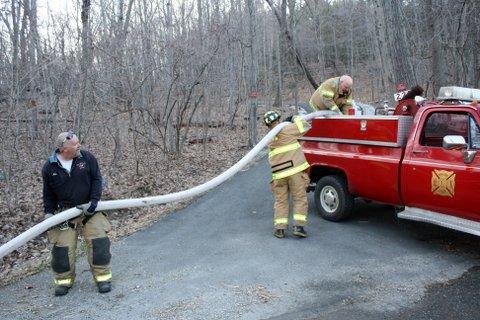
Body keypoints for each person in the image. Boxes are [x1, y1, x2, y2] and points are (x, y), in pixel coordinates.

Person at [42, 131, 112, 296]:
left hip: (90, 210)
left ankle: (102, 278)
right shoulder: (49, 167)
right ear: (63, 149)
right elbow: (48, 194)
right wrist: (49, 213)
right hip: (65, 214)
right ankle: (64, 281)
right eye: (75, 144)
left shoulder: (86, 158)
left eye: (78, 142)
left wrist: (94, 202)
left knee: (99, 242)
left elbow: (97, 180)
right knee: (61, 249)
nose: (78, 145)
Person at [264, 111, 311, 238]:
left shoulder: (268, 138)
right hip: (294, 172)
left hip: (278, 175)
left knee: (281, 201)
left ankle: (279, 228)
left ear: (267, 125)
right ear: (279, 120)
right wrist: (295, 118)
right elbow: (305, 126)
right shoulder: (287, 129)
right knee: (299, 198)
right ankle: (299, 227)